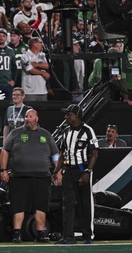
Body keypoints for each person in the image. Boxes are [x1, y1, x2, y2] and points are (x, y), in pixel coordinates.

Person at [0, 109, 59, 243]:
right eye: (26, 116)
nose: (27, 119)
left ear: (36, 119)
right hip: (19, 176)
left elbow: (55, 154)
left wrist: (58, 171)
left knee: (41, 206)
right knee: (18, 206)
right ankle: (16, 234)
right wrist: (3, 169)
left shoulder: (46, 134)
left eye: (30, 116)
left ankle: (40, 233)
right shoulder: (15, 133)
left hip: (42, 177)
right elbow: (5, 151)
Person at [52, 104, 99, 245]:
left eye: (68, 114)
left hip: (82, 170)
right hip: (69, 171)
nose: (65, 117)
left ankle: (87, 236)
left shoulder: (88, 131)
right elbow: (62, 153)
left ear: (76, 116)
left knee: (85, 203)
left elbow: (95, 152)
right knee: (67, 204)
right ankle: (68, 236)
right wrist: (56, 171)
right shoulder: (66, 131)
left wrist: (88, 171)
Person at [20, 37, 50, 102]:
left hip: (43, 90)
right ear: (35, 44)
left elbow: (48, 66)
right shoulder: (25, 56)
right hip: (29, 92)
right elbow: (30, 69)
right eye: (40, 43)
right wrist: (43, 73)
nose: (42, 44)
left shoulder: (43, 55)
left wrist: (36, 64)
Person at [0, 28, 17, 99]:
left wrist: (13, 80)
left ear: (6, 37)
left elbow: (14, 67)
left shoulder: (10, 51)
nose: (1, 38)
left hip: (8, 83)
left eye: (3, 36)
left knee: (9, 104)